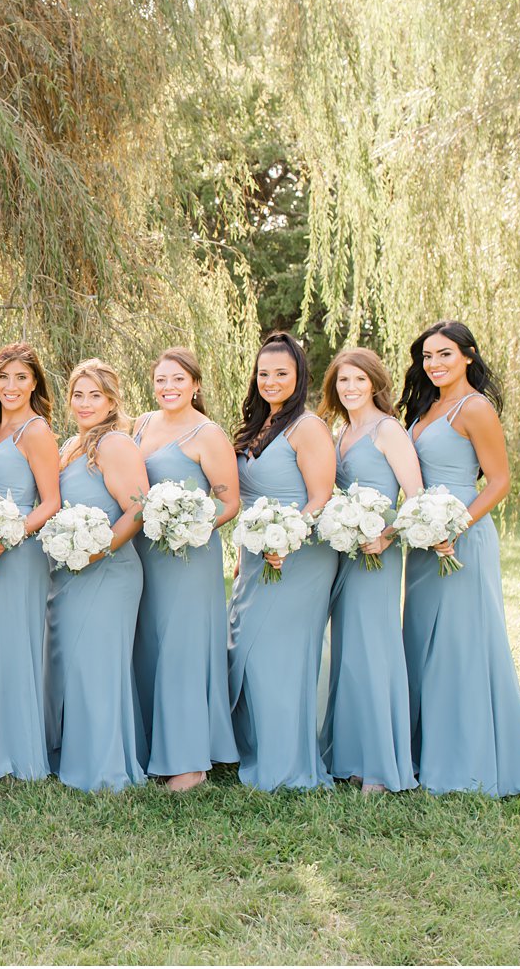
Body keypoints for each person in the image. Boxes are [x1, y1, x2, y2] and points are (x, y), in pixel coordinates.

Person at [399, 320, 520, 797]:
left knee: (460, 646)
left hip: (462, 535)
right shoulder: (425, 407)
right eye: (427, 356)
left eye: (444, 354)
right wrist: (423, 527)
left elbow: (499, 481)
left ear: (468, 356)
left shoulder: (475, 408)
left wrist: (453, 527)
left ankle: (465, 763)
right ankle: (421, 753)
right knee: (423, 643)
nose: (434, 364)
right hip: (424, 540)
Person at [226, 332, 338, 791]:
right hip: (255, 554)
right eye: (264, 373)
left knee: (283, 656)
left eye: (281, 374)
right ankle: (252, 747)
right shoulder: (255, 425)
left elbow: (321, 496)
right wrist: (242, 550)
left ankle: (287, 763)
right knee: (248, 651)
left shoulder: (307, 427)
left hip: (300, 555)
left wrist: (288, 538)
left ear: (299, 376)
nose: (271, 381)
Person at [131, 347, 240, 791]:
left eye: (178, 379)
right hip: (145, 553)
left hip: (189, 555)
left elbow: (228, 501)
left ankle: (191, 762)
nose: (168, 388)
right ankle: (155, 747)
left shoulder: (208, 434)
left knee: (183, 649)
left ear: (195, 384)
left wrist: (186, 524)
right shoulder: (140, 424)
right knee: (149, 644)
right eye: (161, 380)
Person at [317, 348, 420, 793]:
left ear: (375, 383)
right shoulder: (340, 432)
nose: (350, 388)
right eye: (343, 381)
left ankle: (380, 764)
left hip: (377, 554)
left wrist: (386, 535)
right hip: (345, 553)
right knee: (349, 653)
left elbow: (415, 498)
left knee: (374, 651)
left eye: (359, 380)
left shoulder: (388, 430)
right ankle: (350, 755)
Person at [46, 359, 148, 792]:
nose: (85, 403)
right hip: (70, 571)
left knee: (99, 666)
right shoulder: (72, 444)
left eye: (95, 395)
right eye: (78, 394)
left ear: (111, 400)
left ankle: (105, 769)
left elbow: (139, 509)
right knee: (73, 665)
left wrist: (98, 549)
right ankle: (77, 754)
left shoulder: (115, 444)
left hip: (109, 571)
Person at [0, 342, 61, 782]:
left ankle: (16, 751)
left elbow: (51, 501)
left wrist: (10, 535)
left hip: (19, 553)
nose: (11, 386)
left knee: (13, 646)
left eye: (21, 377)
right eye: (3, 377)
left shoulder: (36, 431)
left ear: (35, 381)